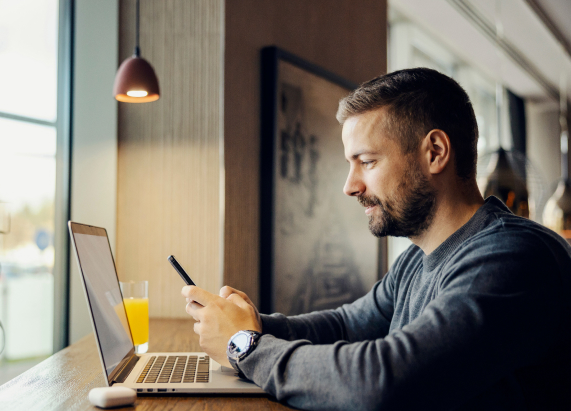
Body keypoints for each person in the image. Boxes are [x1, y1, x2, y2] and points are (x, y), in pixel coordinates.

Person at [181, 67, 571, 410]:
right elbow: (347, 326)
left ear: (435, 152)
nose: (350, 186)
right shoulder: (418, 257)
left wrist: (246, 346)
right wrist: (246, 324)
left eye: (367, 162)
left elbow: (384, 383)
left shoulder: (514, 257)